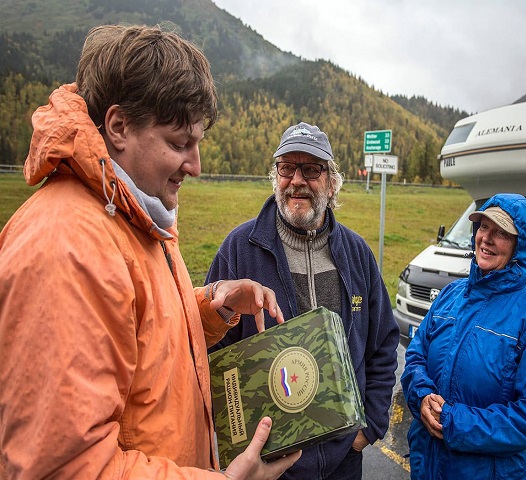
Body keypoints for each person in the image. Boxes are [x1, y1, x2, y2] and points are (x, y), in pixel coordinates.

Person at [0, 24, 301, 479]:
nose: (196, 166)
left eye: (198, 144)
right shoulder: (67, 249)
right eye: (180, 144)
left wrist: (213, 304)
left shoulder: (131, 213)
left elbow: (136, 329)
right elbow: (65, 467)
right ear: (119, 127)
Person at [205, 122, 400, 480]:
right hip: (270, 466)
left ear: (330, 180)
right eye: (287, 168)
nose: (297, 180)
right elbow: (211, 352)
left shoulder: (357, 254)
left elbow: (384, 345)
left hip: (344, 461)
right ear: (275, 175)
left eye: (311, 169)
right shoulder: (239, 249)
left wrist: (368, 427)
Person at [401, 193, 526, 480]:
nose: (487, 238)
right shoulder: (451, 295)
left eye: (502, 232)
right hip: (426, 465)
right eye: (484, 227)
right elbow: (416, 356)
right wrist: (423, 396)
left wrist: (453, 422)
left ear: (520, 246)